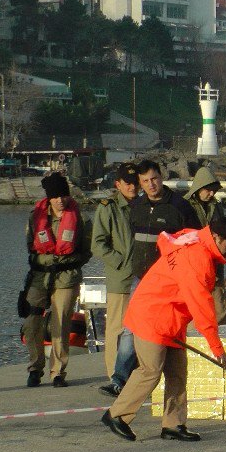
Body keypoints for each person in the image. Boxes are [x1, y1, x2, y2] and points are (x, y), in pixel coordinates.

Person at [101, 217, 226, 442]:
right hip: (152, 316)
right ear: (217, 237)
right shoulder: (197, 258)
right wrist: (217, 349)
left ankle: (174, 424)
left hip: (172, 318)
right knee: (150, 370)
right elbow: (202, 308)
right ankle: (116, 415)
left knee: (177, 371)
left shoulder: (194, 240)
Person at [100, 159, 199, 397]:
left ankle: (163, 381)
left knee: (167, 332)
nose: (150, 184)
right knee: (129, 328)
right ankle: (119, 380)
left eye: (154, 179)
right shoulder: (138, 207)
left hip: (169, 281)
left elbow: (195, 241)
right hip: (141, 278)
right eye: (145, 181)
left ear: (161, 176)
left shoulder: (180, 207)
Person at [21, 173, 90, 388]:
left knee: (61, 322)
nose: (60, 200)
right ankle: (35, 367)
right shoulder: (35, 217)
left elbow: (87, 252)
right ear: (49, 198)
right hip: (39, 277)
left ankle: (58, 372)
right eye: (56, 196)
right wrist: (47, 259)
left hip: (67, 277)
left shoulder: (81, 219)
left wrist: (64, 260)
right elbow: (30, 248)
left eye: (64, 195)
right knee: (32, 321)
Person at [90, 162, 139, 379]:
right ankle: (113, 376)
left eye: (135, 183)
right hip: (120, 279)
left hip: (144, 278)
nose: (133, 187)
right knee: (116, 330)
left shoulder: (144, 205)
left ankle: (134, 375)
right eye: (128, 183)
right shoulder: (107, 207)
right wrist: (120, 262)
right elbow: (97, 244)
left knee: (139, 330)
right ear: (118, 184)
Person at [185, 167, 226, 323]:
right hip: (193, 263)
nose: (211, 194)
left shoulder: (216, 205)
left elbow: (224, 226)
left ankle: (221, 339)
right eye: (208, 190)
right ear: (199, 187)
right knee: (193, 307)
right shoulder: (185, 205)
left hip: (215, 261)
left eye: (214, 191)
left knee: (218, 306)